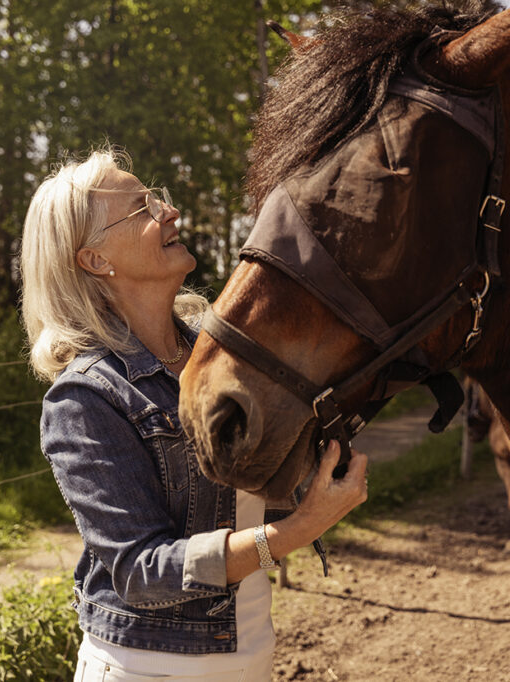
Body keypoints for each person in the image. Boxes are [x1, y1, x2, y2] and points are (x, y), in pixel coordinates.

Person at [19, 148, 368, 681]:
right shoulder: (85, 398)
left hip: (251, 648)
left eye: (157, 197)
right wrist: (300, 529)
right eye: (142, 208)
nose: (169, 211)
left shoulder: (217, 362)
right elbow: (140, 571)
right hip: (150, 667)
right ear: (94, 259)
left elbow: (251, 494)